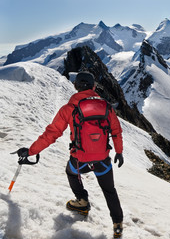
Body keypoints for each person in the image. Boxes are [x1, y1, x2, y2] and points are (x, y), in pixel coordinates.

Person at [16, 71, 124, 238]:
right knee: (109, 190)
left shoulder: (69, 108)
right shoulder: (106, 107)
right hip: (103, 159)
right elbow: (116, 131)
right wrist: (119, 151)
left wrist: (31, 151)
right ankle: (117, 224)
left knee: (71, 172)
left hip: (79, 159)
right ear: (93, 87)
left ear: (76, 87)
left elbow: (51, 134)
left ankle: (82, 201)